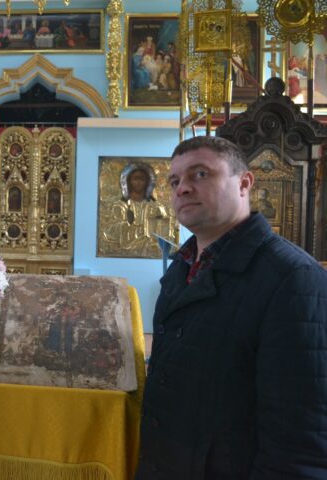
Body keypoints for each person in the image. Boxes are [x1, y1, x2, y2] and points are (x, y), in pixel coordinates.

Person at [136, 136, 327, 479]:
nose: (182, 188)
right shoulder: (182, 267)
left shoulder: (293, 278)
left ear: (244, 183)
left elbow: (301, 440)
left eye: (200, 174)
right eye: (175, 181)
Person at [103, 163, 172, 257]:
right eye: (135, 179)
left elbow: (165, 232)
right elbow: (110, 232)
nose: (138, 182)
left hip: (150, 248)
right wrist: (126, 224)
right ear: (128, 182)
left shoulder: (156, 207)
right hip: (125, 248)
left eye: (141, 179)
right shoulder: (120, 206)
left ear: (147, 182)